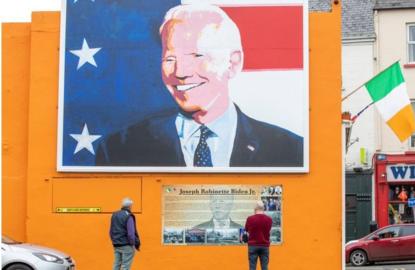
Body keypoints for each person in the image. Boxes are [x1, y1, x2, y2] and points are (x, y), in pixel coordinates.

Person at [95, 4, 303, 167]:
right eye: (170, 59)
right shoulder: (119, 148)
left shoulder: (290, 149)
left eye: (197, 56)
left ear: (233, 63)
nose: (181, 72)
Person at [110, 198, 140, 270]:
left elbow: (111, 231)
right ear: (130, 206)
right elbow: (131, 233)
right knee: (125, 266)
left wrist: (114, 240)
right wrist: (132, 244)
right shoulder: (128, 216)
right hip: (126, 244)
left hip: (116, 244)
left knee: (116, 265)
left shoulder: (114, 214)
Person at [244, 201, 272, 270]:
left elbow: (246, 230)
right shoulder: (269, 219)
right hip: (265, 246)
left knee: (252, 267)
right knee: (265, 267)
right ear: (263, 208)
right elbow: (268, 230)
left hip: (253, 246)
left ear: (255, 209)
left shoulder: (250, 219)